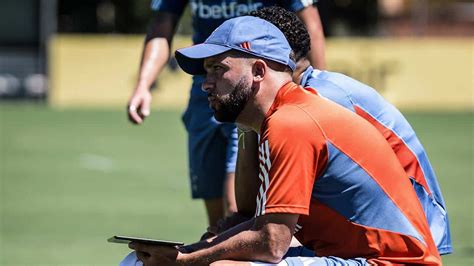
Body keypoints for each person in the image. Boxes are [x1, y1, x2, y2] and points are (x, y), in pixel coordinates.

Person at [122, 16, 441, 265]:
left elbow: (273, 242)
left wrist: (187, 259)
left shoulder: (293, 121)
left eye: (218, 70)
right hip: (355, 257)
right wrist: (192, 252)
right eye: (206, 73)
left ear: (259, 70)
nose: (206, 85)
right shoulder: (273, 119)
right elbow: (249, 216)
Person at [228, 6, 451, 255]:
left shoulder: (320, 100)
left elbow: (262, 216)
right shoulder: (281, 103)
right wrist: (246, 124)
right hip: (377, 228)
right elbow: (249, 206)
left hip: (407, 229)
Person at [126, 0, 327, 228]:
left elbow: (311, 25)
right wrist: (143, 84)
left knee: (236, 210)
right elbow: (162, 25)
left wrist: (315, 88)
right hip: (206, 92)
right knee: (217, 222)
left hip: (251, 90)